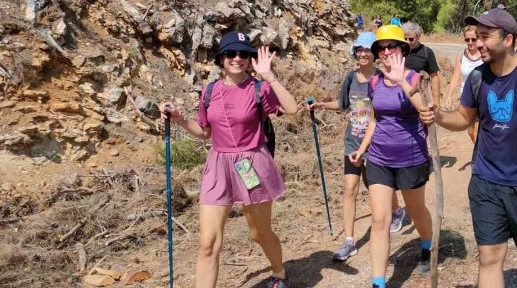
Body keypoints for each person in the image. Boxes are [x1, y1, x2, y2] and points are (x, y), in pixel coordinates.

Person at [431, 6, 517, 288]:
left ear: (508, 39)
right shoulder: (477, 78)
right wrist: (439, 115)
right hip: (486, 180)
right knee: (489, 256)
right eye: (476, 37)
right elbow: (464, 118)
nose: (478, 43)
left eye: (485, 36)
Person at [160, 31, 299, 288]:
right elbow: (204, 133)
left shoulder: (260, 88)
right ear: (221, 59)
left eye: (244, 54)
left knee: (259, 233)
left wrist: (269, 76)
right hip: (217, 165)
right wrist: (180, 118)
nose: (238, 58)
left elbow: (291, 109)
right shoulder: (209, 92)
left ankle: (279, 273)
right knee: (208, 244)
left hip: (252, 163)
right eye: (232, 53)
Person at [308, 32, 407, 262]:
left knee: (378, 190)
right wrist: (322, 105)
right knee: (350, 188)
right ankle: (350, 241)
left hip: (377, 144)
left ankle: (396, 211)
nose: (362, 54)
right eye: (358, 50)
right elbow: (343, 104)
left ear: (374, 54)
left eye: (366, 50)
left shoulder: (382, 79)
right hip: (352, 142)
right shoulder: (351, 78)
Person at [349, 25, 434, 287]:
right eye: (381, 48)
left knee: (416, 210)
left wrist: (400, 80)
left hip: (411, 158)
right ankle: (378, 281)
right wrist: (362, 150)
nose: (386, 52)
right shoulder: (374, 82)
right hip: (379, 159)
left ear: (403, 50)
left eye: (392, 47)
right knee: (380, 218)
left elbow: (425, 114)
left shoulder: (416, 79)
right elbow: (375, 119)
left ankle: (427, 244)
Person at [444, 25, 483, 142]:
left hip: (482, 98)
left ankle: (480, 157)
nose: (470, 42)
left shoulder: (485, 54)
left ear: (478, 38)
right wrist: (449, 95)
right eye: (467, 40)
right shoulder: (461, 56)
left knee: (478, 130)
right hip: (467, 99)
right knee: (471, 131)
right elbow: (456, 76)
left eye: (473, 39)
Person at [401, 21, 442, 108]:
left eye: (411, 39)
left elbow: (434, 77)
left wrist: (437, 102)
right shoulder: (400, 52)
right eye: (405, 39)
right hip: (402, 97)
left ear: (418, 36)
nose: (407, 42)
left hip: (422, 97)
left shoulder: (427, 52)